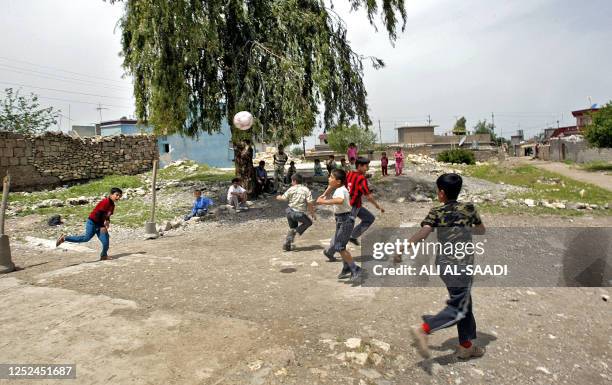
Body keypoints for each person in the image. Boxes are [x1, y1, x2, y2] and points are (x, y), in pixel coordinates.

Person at [408, 173, 486, 360]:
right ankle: (425, 329)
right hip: (462, 267)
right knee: (459, 307)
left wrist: (405, 245)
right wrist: (466, 228)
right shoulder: (469, 209)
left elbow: (424, 232)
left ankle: (466, 346)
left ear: (441, 193)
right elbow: (481, 230)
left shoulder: (436, 212)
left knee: (464, 303)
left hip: (444, 264)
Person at [317, 169, 362, 282]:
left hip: (345, 220)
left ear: (338, 181)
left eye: (331, 177)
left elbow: (340, 200)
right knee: (340, 245)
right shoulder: (338, 188)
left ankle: (355, 268)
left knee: (339, 247)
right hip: (341, 220)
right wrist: (324, 195)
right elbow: (331, 189)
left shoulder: (340, 190)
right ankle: (347, 267)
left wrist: (324, 202)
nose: (328, 178)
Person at [56, 187, 122, 261]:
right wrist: (102, 226)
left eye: (120, 196)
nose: (118, 197)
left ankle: (103, 255)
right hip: (92, 223)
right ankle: (64, 238)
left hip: (100, 224)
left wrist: (107, 221)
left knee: (106, 241)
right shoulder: (105, 202)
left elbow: (107, 215)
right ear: (111, 194)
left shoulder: (112, 205)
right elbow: (98, 214)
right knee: (86, 238)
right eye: (117, 195)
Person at [276, 173, 316, 251]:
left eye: (291, 181)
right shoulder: (306, 189)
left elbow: (283, 198)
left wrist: (278, 197)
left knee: (292, 228)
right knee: (308, 223)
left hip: (289, 212)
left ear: (294, 181)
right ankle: (294, 232)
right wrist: (312, 213)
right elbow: (310, 203)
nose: (291, 182)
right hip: (298, 213)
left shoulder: (291, 189)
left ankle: (288, 244)